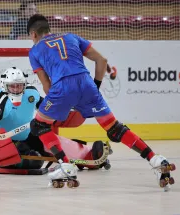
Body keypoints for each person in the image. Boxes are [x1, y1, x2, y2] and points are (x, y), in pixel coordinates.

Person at [26, 14, 175, 190]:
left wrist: (60, 104)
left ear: (34, 34)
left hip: (61, 89)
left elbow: (47, 85)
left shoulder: (34, 51)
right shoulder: (71, 36)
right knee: (114, 128)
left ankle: (65, 165)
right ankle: (155, 159)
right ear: (48, 28)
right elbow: (101, 60)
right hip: (87, 83)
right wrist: (95, 86)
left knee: (38, 125)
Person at [0, 67, 111, 175]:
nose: (16, 89)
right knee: (35, 161)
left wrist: (67, 109)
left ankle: (89, 154)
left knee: (52, 142)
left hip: (27, 134)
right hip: (7, 142)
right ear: (4, 86)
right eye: (12, 86)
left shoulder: (31, 92)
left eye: (19, 86)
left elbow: (45, 107)